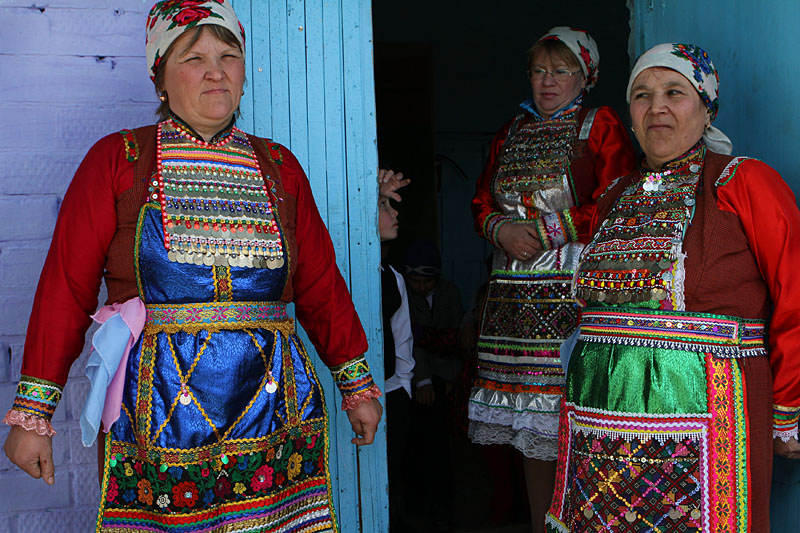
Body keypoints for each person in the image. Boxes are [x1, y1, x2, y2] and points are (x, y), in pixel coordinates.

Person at [2, 2, 382, 532]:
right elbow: (65, 286)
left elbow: (319, 284)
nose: (215, 70)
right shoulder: (119, 159)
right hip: (158, 411)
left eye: (229, 56)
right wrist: (33, 416)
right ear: (159, 75)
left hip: (274, 405)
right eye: (193, 57)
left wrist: (356, 385)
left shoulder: (279, 167)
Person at [545, 43, 800, 533]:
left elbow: (795, 292)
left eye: (674, 92)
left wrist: (787, 408)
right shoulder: (613, 194)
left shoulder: (743, 182)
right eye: (641, 95)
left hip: (706, 417)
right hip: (598, 421)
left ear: (707, 109)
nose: (656, 106)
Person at [469, 26, 636, 531]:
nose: (547, 82)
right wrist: (500, 229)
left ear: (584, 77)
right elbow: (480, 199)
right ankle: (543, 526)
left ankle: (585, 519)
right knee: (528, 426)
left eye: (561, 71)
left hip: (569, 290)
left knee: (570, 413)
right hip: (511, 304)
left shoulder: (598, 124)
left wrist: (545, 229)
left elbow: (617, 198)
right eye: (539, 71)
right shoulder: (511, 130)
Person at [377, 168, 416, 532]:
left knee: (395, 480)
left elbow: (401, 337)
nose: (395, 213)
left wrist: (402, 385)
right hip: (356, 396)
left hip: (392, 393)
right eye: (386, 206)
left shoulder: (394, 277)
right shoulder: (341, 269)